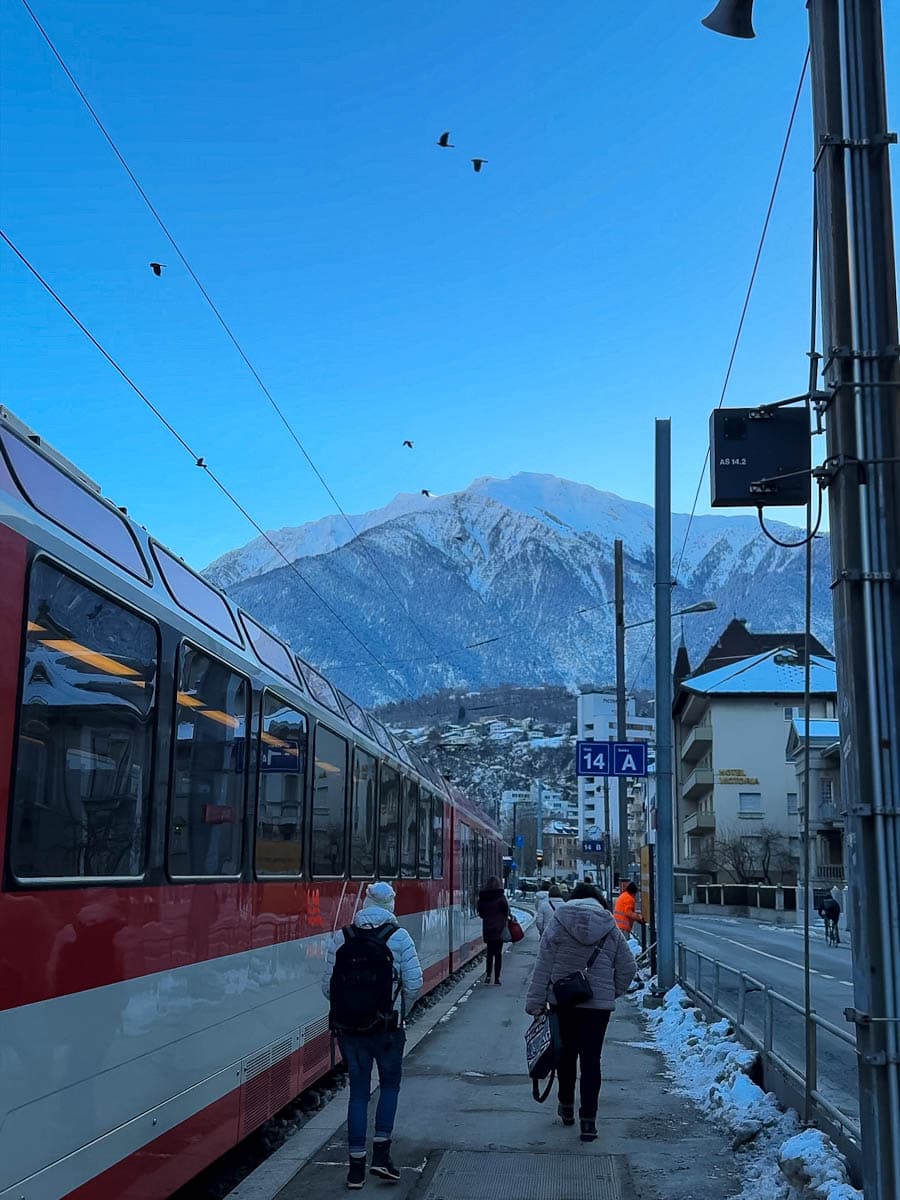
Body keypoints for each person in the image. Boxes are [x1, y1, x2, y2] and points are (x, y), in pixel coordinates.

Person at [322, 881, 423, 1189]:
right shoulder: (399, 937)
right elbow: (414, 984)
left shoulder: (343, 936)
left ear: (365, 903)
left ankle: (355, 1170)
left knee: (358, 1093)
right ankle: (381, 1157)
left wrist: (354, 1008)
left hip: (350, 1030)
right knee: (389, 1087)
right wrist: (395, 1008)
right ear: (391, 905)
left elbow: (328, 986)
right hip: (388, 1030)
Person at [525, 882, 636, 1141]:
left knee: (565, 1055)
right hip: (597, 1009)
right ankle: (589, 1122)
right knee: (591, 1061)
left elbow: (543, 963)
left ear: (572, 899)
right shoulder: (609, 926)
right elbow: (628, 968)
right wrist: (611, 991)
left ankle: (566, 1107)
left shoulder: (558, 920)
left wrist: (535, 1002)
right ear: (598, 901)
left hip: (563, 1002)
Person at [477, 875, 510, 984]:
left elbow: (480, 912)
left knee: (490, 953)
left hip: (488, 928)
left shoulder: (483, 897)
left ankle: (488, 976)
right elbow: (506, 911)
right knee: (498, 954)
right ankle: (496, 978)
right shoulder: (500, 896)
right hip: (499, 929)